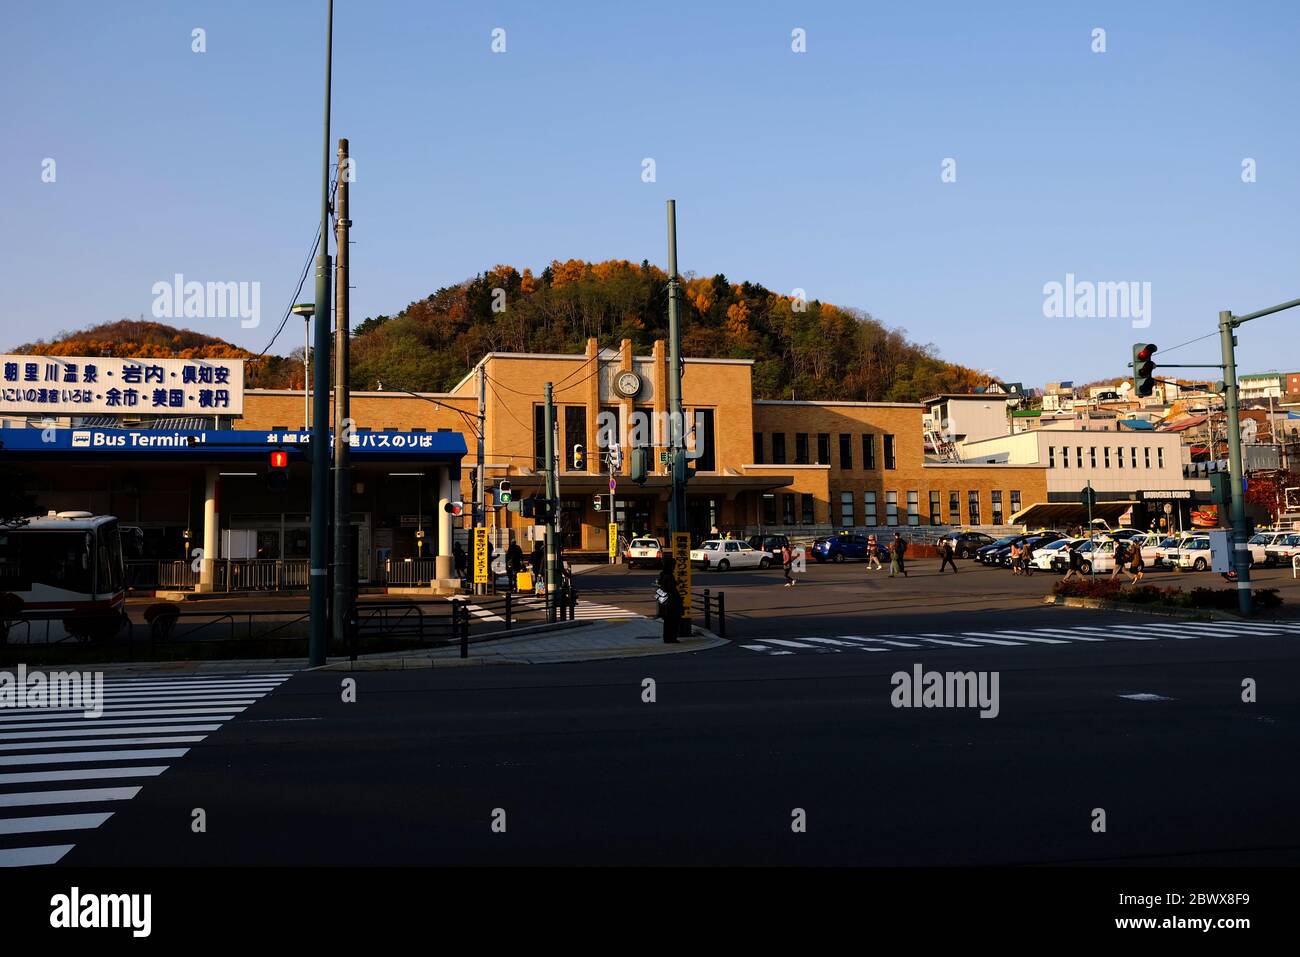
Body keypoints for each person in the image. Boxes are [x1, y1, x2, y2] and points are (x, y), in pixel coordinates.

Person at [656, 554, 684, 643]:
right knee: (673, 621)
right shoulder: (668, 576)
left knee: (668, 622)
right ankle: (671, 638)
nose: (674, 567)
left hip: (665, 601)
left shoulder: (663, 574)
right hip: (671, 602)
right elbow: (670, 588)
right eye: (673, 565)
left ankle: (668, 638)